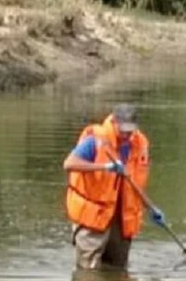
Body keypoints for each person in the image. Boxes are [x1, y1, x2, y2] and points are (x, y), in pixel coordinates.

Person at [63, 103, 164, 269]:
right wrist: (104, 167)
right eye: (122, 130)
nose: (126, 135)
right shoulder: (95, 140)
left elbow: (134, 184)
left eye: (130, 131)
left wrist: (151, 209)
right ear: (114, 123)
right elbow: (69, 164)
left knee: (118, 269)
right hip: (93, 217)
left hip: (121, 217)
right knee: (89, 272)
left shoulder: (139, 144)